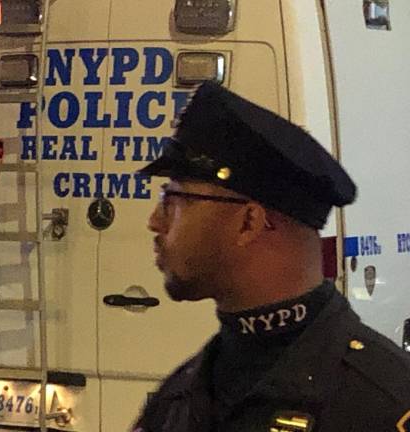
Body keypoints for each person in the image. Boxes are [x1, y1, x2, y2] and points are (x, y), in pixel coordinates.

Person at [133, 82, 410, 432]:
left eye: (174, 200)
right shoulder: (182, 396)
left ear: (249, 222)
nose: (155, 222)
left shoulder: (382, 405)